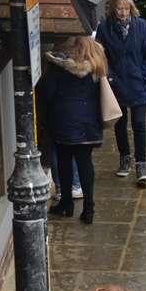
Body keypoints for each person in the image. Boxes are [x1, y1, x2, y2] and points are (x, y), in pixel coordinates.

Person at [95, 0, 146, 186]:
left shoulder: (141, 26)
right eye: (119, 9)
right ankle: (125, 158)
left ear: (131, 8)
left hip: (138, 84)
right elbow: (100, 55)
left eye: (126, 8)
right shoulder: (105, 28)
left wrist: (143, 74)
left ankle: (141, 163)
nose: (123, 12)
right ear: (113, 9)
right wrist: (110, 77)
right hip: (116, 85)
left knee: (139, 124)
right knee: (120, 124)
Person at [43, 36, 106, 223]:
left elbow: (47, 93)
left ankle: (66, 204)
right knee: (85, 162)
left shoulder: (58, 68)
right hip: (89, 124)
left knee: (64, 162)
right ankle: (89, 209)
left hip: (64, 122)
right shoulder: (97, 68)